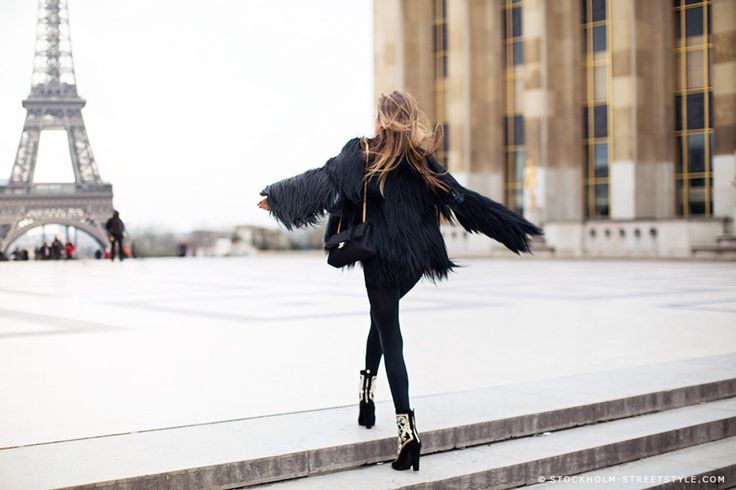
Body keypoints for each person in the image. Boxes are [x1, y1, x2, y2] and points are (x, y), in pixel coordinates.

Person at [258, 90, 543, 472]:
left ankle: (407, 434)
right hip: (413, 259)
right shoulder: (422, 161)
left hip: (378, 256)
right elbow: (464, 201)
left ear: (381, 119)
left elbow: (323, 180)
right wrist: (513, 228)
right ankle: (366, 395)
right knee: (383, 321)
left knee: (390, 335)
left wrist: (276, 198)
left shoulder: (360, 152)